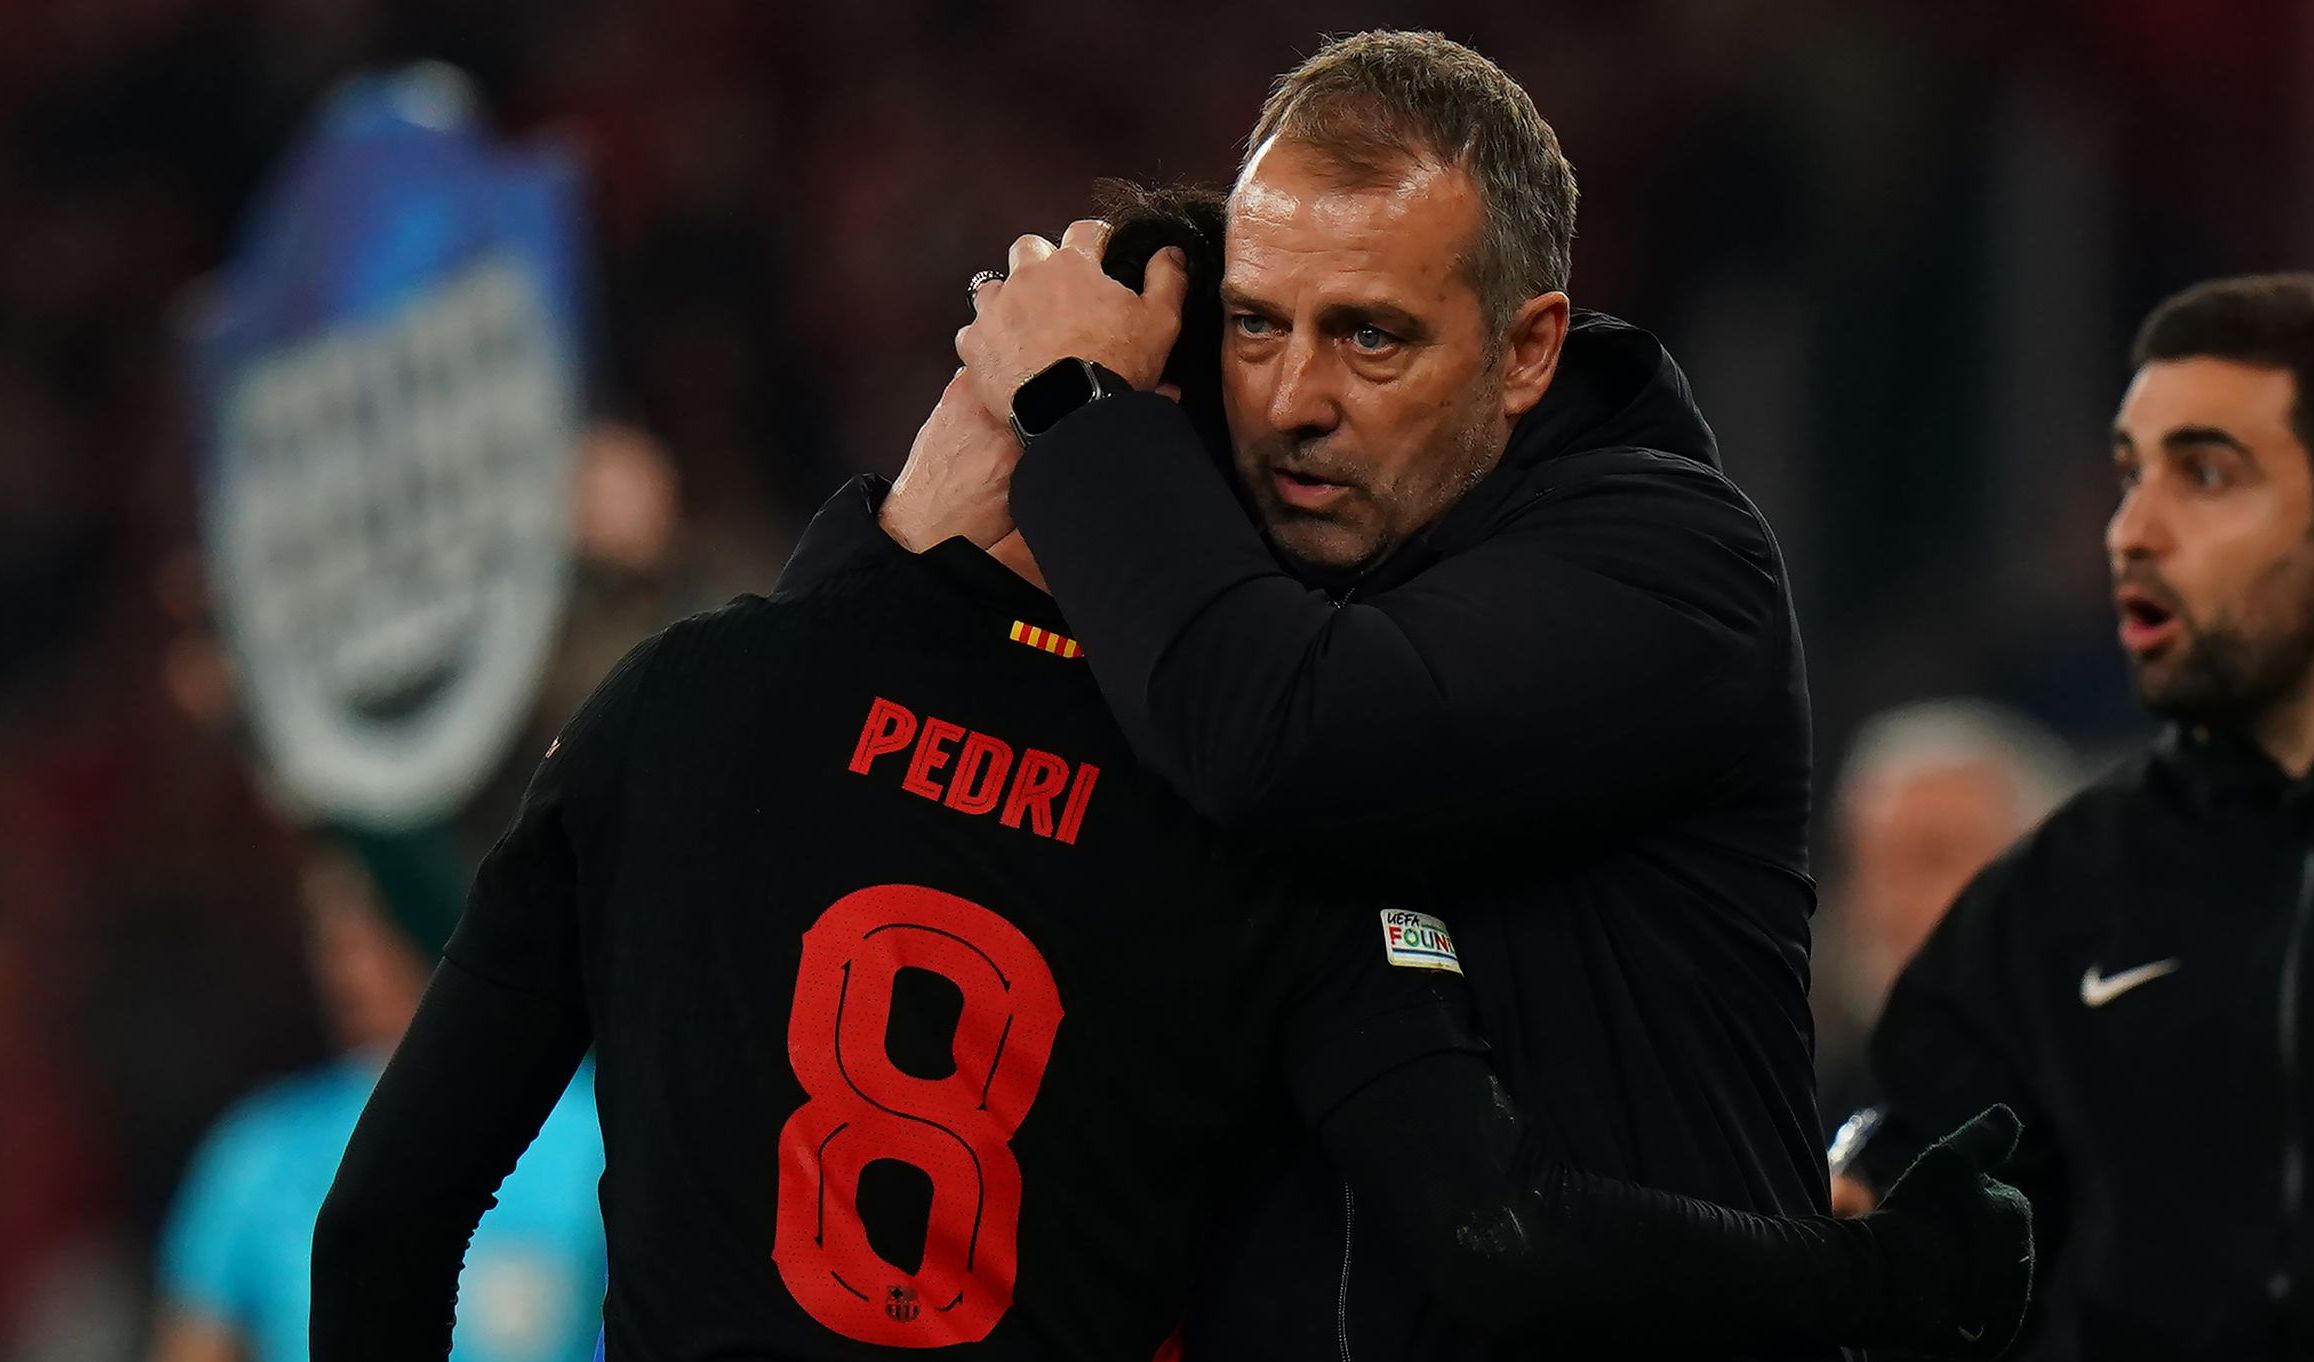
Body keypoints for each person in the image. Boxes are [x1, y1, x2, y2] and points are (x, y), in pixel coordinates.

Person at [311, 198, 2035, 1362]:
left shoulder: (681, 703)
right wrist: (1888, 1270)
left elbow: (384, 1219)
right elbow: (1504, 1237)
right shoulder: (1271, 835)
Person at [811, 30, 1829, 1360]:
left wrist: (1070, 404)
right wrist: (923, 505)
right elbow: (797, 767)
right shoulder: (1204, 568)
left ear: (1526, 350)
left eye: (1369, 336)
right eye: (1256, 325)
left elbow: (1282, 735)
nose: (1295, 400)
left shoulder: (1672, 567)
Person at [1833, 272, 2314, 1358]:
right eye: (2129, 475)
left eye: (2205, 474)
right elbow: (1896, 1184)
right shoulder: (2066, 884)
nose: (2131, 531)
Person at [153, 847, 604, 1362]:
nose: (343, 966)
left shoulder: (594, 1128)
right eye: (328, 937)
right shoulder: (263, 1148)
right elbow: (195, 1339)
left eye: (371, 929)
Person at [1815, 699, 2076, 1208]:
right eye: (1865, 864)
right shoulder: (1818, 1103)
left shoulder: (2105, 1102)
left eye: (1931, 858)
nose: (1887, 905)